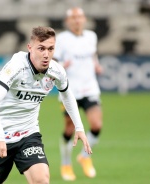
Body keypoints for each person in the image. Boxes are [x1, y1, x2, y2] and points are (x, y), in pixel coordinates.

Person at [0, 26, 92, 184]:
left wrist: (79, 127)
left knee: (41, 180)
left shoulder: (56, 71)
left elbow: (68, 95)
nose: (46, 54)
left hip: (28, 135)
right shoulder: (16, 67)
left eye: (50, 49)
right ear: (30, 48)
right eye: (41, 48)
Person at [53, 7, 103, 181]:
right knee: (69, 128)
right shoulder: (61, 39)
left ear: (84, 19)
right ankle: (66, 163)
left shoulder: (91, 36)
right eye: (73, 17)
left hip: (90, 88)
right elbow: (54, 59)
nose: (77, 20)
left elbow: (92, 54)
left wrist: (96, 65)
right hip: (69, 91)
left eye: (79, 17)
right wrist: (61, 67)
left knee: (96, 125)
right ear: (68, 21)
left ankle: (84, 156)